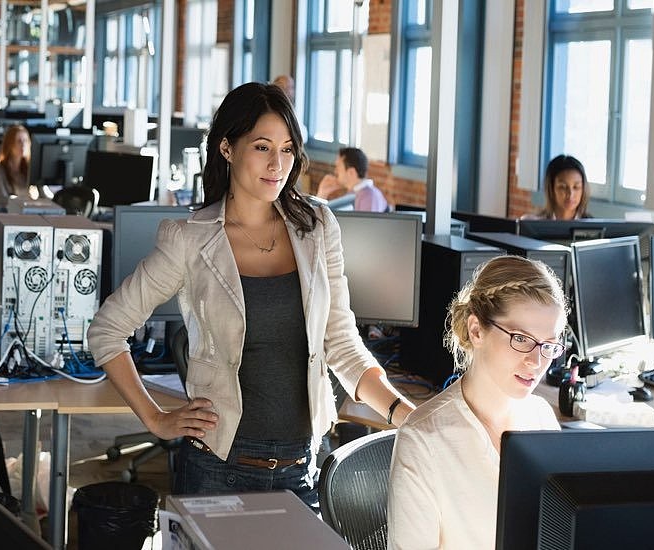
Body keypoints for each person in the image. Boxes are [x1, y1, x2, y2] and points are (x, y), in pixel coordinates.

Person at [86, 82, 416, 506]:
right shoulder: (191, 239)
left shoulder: (316, 228)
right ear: (227, 148)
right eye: (262, 147)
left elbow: (343, 346)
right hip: (218, 468)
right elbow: (107, 330)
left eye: (287, 148)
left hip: (304, 467)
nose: (277, 164)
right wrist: (155, 418)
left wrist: (406, 415)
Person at [386, 255, 567, 549]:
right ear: (476, 330)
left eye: (548, 345)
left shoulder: (541, 418)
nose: (536, 362)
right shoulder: (423, 441)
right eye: (521, 338)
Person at [0, 124, 51, 205]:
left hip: (33, 212)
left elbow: (45, 196)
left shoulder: (32, 169)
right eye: (19, 141)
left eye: (25, 140)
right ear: (10, 145)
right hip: (12, 214)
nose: (23, 145)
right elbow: (2, 199)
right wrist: (29, 203)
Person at [525, 154, 591, 220]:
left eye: (576, 187)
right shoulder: (532, 222)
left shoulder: (594, 227)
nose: (570, 194)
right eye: (563, 187)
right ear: (551, 188)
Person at [335, 147, 391, 212]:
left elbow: (367, 222)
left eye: (338, 167)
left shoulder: (369, 196)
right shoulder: (353, 193)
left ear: (351, 172)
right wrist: (323, 193)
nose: (335, 171)